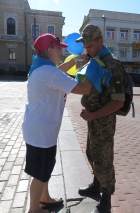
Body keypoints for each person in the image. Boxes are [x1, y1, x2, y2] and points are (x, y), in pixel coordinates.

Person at [22, 33, 92, 213]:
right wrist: (91, 70)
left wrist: (75, 61)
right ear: (49, 50)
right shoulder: (49, 72)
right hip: (42, 131)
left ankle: (44, 198)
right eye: (58, 48)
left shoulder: (39, 67)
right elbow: (84, 89)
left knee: (44, 168)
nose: (61, 51)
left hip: (37, 128)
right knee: (40, 173)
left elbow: (57, 71)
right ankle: (34, 210)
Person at [75, 24, 125, 213]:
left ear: (100, 41)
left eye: (90, 46)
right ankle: (96, 184)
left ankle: (106, 199)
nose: (86, 50)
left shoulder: (113, 64)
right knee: (91, 153)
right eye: (85, 46)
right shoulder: (94, 60)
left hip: (103, 120)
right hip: (93, 118)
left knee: (104, 160)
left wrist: (93, 115)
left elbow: (118, 101)